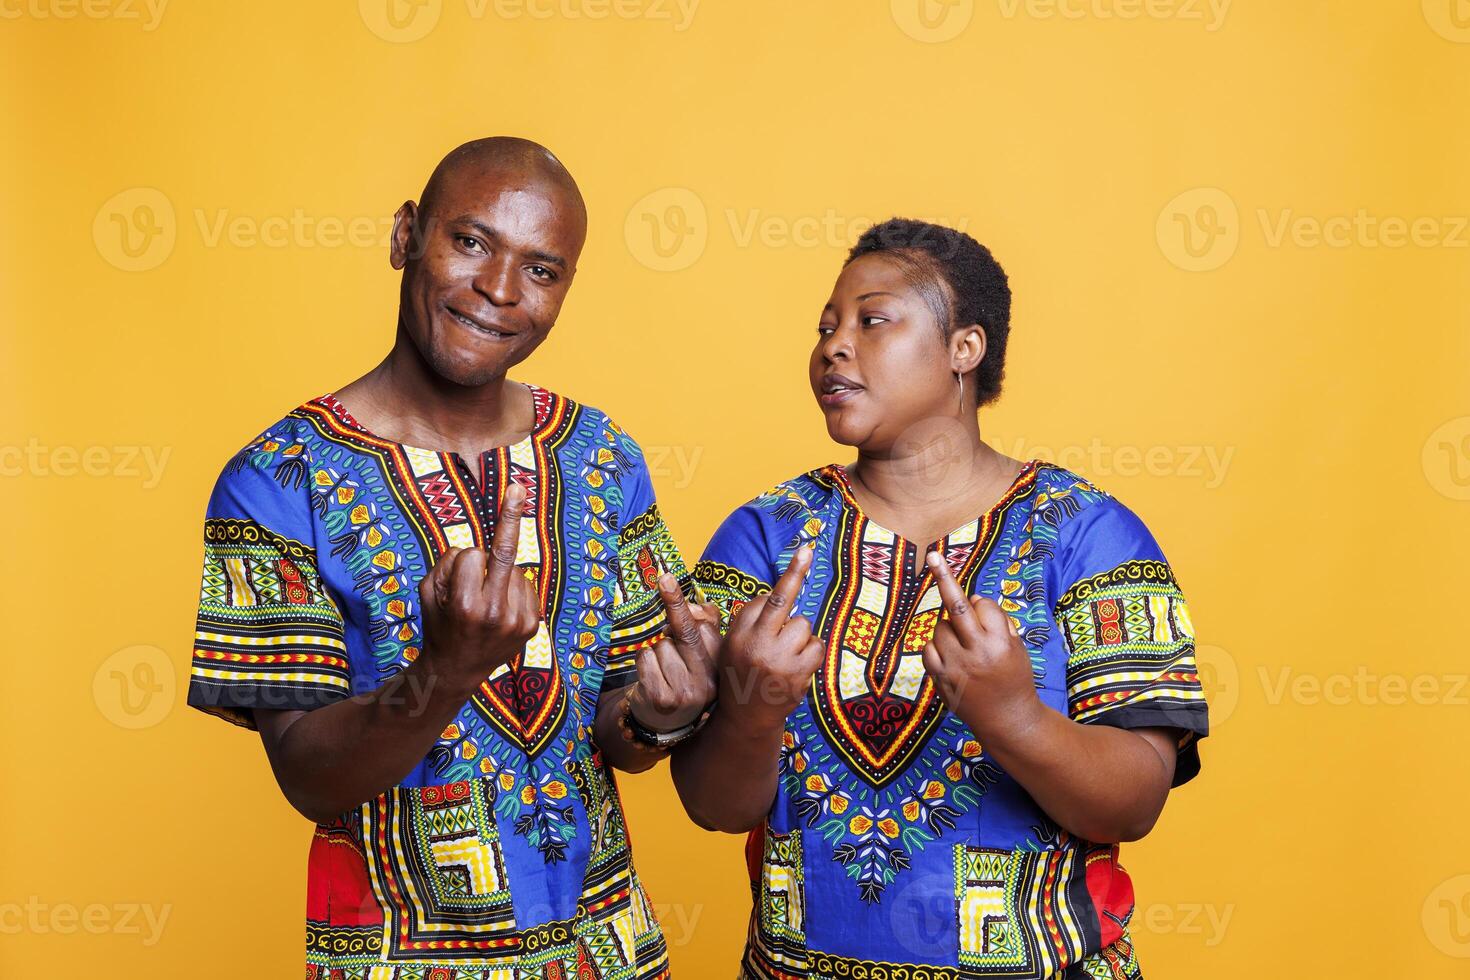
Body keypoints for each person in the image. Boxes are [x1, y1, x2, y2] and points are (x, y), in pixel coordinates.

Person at [187, 137, 718, 979]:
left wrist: (662, 717)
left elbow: (621, 730)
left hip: (606, 952)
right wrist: (446, 671)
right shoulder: (277, 481)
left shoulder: (604, 455)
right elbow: (308, 779)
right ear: (406, 237)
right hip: (397, 958)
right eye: (471, 242)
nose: (500, 291)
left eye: (542, 271)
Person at [672, 218, 1210, 979]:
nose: (834, 344)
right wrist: (752, 713)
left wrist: (1014, 716)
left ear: (965, 348)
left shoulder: (1087, 534)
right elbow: (713, 807)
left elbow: (1134, 805)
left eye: (873, 320)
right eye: (826, 326)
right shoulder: (766, 535)